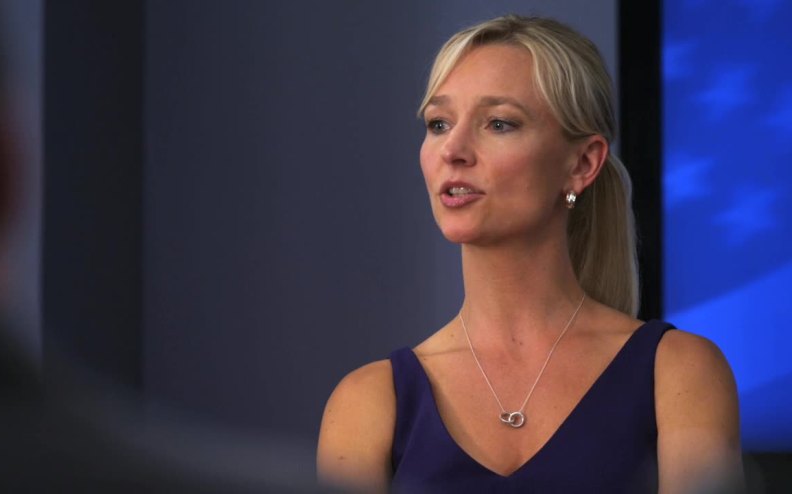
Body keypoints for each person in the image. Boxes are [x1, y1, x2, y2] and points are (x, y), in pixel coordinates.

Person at [317, 14, 743, 493]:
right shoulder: (368, 402)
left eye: (499, 123)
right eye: (438, 123)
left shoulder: (680, 373)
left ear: (582, 163)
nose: (452, 150)